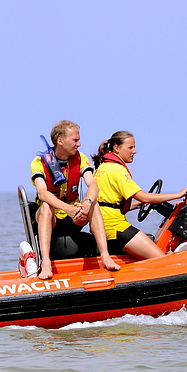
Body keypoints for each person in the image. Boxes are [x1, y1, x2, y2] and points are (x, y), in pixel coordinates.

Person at [31, 120, 120, 280]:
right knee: (46, 206)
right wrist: (67, 209)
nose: (79, 144)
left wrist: (86, 203)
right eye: (75, 140)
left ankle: (105, 256)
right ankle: (45, 263)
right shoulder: (39, 162)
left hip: (75, 216)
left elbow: (93, 185)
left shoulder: (81, 159)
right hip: (52, 219)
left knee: (94, 205)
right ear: (60, 141)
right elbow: (42, 193)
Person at [92, 131, 187, 260]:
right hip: (114, 225)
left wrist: (137, 205)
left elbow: (109, 203)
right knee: (163, 260)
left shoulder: (103, 167)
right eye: (130, 147)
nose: (135, 151)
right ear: (116, 148)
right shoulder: (117, 170)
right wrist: (177, 195)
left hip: (104, 224)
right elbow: (143, 197)